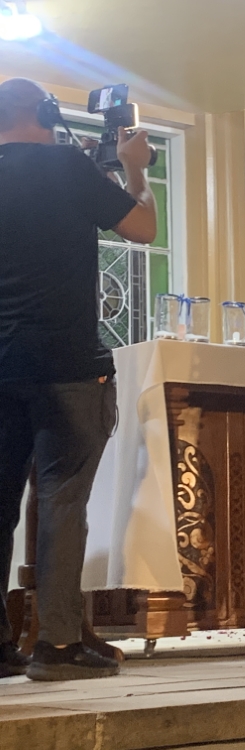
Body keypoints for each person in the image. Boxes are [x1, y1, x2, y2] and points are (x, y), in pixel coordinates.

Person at [0, 79, 157, 681]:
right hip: (65, 364)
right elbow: (141, 228)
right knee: (62, 501)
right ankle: (58, 644)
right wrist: (134, 168)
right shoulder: (67, 166)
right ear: (46, 112)